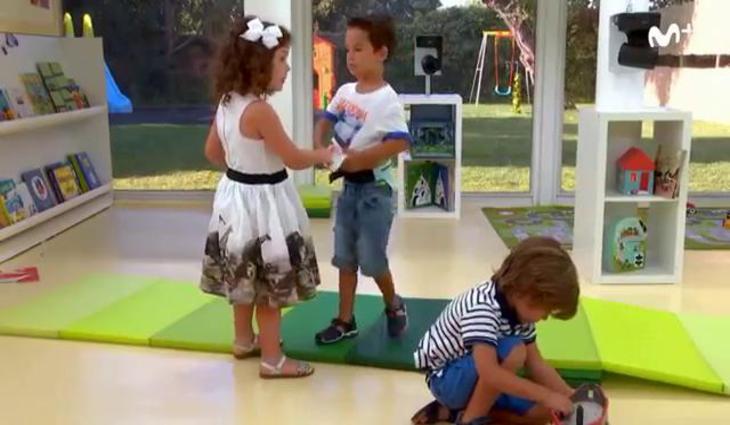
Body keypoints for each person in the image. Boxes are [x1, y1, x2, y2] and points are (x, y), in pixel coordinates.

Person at [200, 15, 333, 379]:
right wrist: (322, 155)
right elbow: (292, 158)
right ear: (258, 64)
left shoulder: (228, 102)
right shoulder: (260, 111)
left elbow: (212, 151)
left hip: (234, 201)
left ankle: (244, 340)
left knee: (244, 274)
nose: (288, 68)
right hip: (265, 204)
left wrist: (241, 168)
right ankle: (273, 359)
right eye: (282, 59)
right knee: (268, 284)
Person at [313, 15, 411, 345]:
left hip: (375, 193)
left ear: (381, 53)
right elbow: (325, 120)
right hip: (349, 190)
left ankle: (394, 304)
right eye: (347, 50)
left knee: (371, 260)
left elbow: (399, 143)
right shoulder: (344, 92)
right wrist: (320, 146)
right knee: (345, 258)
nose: (350, 57)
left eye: (358, 49)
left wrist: (359, 160)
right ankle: (345, 320)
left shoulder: (387, 100)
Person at [411, 237, 580, 424]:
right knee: (515, 351)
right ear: (524, 292)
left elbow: (536, 363)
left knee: (544, 413)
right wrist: (546, 395)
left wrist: (571, 397)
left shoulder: (520, 312)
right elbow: (489, 373)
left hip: (482, 378)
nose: (546, 317)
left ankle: (453, 413)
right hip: (447, 380)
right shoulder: (482, 307)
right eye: (545, 309)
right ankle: (470, 419)